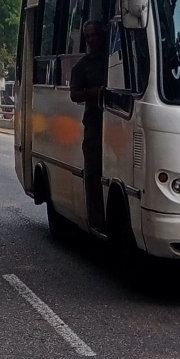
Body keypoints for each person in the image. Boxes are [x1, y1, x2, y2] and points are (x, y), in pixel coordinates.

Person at [70, 20, 108, 232]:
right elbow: (74, 95)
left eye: (95, 35)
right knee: (93, 169)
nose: (92, 40)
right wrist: (94, 92)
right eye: (88, 37)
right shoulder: (82, 66)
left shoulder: (115, 60)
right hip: (94, 122)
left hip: (118, 121)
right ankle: (96, 218)